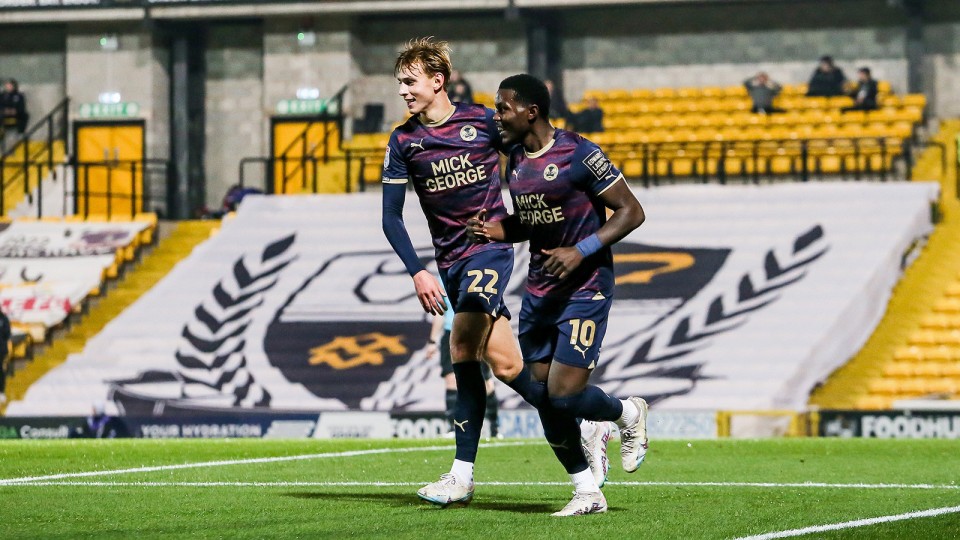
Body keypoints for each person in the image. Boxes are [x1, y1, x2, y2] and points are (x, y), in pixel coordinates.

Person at [380, 37, 608, 512]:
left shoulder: (484, 120)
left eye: (410, 81)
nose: (402, 90)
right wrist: (417, 272)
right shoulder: (403, 141)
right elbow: (391, 217)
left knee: (460, 345)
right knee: (508, 369)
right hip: (448, 265)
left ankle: (461, 476)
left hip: (489, 252)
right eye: (400, 82)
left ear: (436, 81)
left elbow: (539, 140)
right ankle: (595, 442)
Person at [468, 73, 649, 516]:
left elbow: (632, 211)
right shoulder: (515, 156)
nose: (498, 116)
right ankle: (587, 492)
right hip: (540, 292)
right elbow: (534, 218)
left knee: (565, 395)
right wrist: (500, 229)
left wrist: (580, 250)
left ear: (531, 111)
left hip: (585, 289)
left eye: (504, 108)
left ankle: (626, 412)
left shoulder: (579, 154)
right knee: (543, 394)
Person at [425, 289, 499, 438]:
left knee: (485, 382)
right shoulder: (441, 277)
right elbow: (441, 312)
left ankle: (494, 428)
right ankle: (453, 428)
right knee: (451, 379)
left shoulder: (475, 270)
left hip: (475, 331)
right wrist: (432, 340)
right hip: (450, 332)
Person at [0, 309, 9, 404]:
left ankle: (1, 391)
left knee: (0, 371)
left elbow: (7, 333)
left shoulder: (3, 319)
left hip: (1, 350)